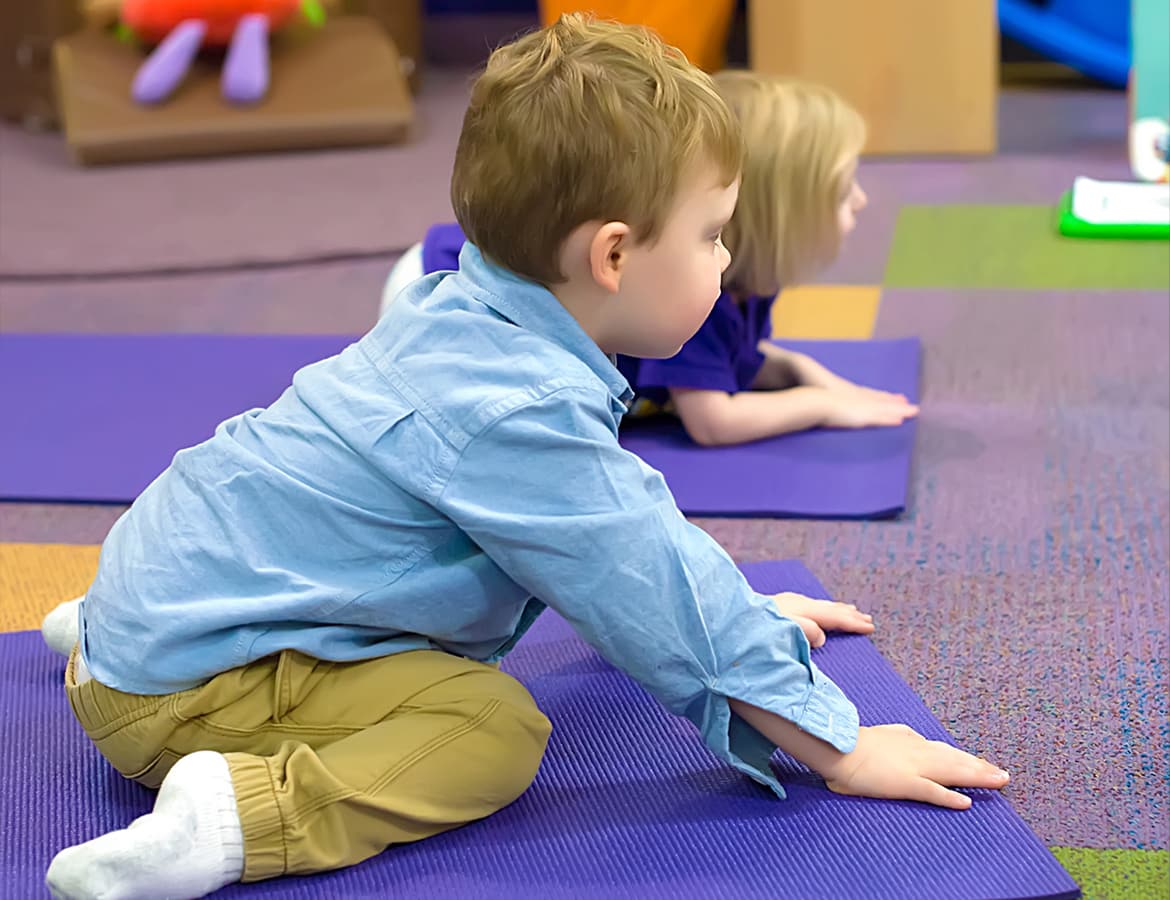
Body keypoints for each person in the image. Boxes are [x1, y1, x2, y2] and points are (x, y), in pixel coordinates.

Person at [43, 16, 1007, 900]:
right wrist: (839, 747)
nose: (725, 261)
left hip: (152, 588)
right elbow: (650, 582)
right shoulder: (522, 412)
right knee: (495, 729)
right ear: (614, 256)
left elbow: (626, 556)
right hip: (178, 690)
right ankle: (231, 818)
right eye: (713, 235)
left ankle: (130, 634)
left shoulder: (458, 306)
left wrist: (741, 611)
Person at [380, 72, 919, 447]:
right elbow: (714, 420)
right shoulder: (687, 289)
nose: (862, 200)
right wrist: (820, 407)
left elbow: (738, 361)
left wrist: (804, 371)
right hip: (433, 289)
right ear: (787, 217)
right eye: (843, 190)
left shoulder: (735, 277)